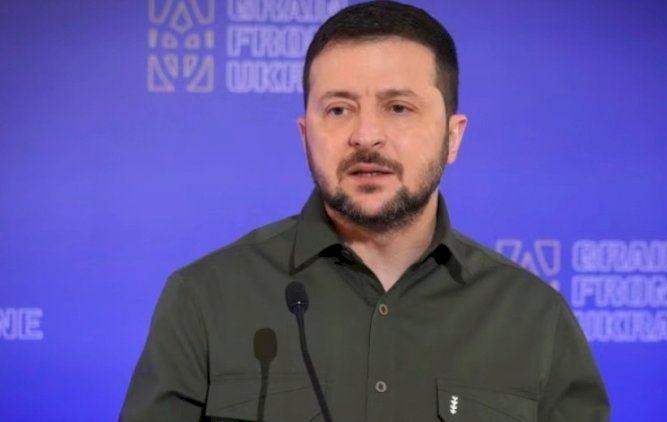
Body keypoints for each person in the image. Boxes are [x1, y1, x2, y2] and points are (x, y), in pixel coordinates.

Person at [120, 1, 610, 421]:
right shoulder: (205, 300)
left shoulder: (535, 320)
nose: (366, 136)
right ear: (305, 134)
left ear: (453, 136)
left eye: (398, 107)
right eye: (339, 109)